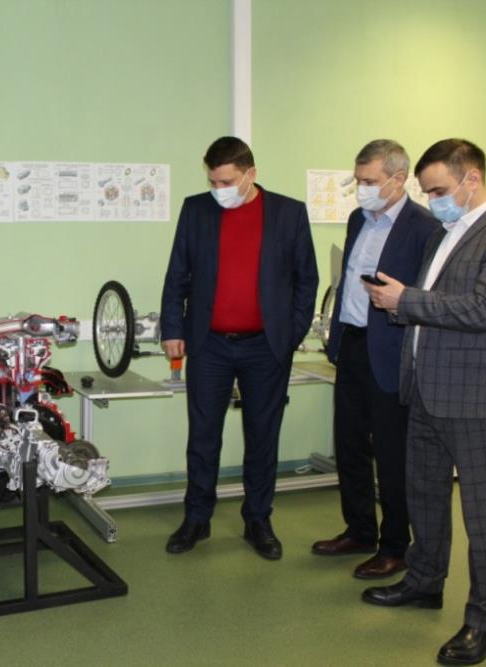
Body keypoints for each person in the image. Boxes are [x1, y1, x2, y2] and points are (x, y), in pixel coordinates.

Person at [362, 139, 486, 666]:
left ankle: (485, 622)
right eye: (427, 191)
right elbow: (436, 305)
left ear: (471, 179)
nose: (431, 200)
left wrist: (407, 299)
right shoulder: (444, 233)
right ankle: (424, 581)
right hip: (424, 390)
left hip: (473, 398)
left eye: (438, 190)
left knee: (484, 517)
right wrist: (398, 301)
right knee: (425, 498)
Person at [160, 136, 318, 559]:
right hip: (208, 344)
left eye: (227, 181)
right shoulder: (196, 210)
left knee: (263, 435)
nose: (219, 190)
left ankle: (258, 520)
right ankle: (197, 519)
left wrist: (289, 334)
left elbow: (307, 280)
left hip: (266, 347)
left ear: (251, 174)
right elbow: (177, 274)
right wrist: (172, 327)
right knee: (203, 435)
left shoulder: (288, 213)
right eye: (213, 182)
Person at [312, 140, 438, 579]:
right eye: (358, 179)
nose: (361, 188)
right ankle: (359, 530)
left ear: (398, 179)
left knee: (391, 453)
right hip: (351, 344)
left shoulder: (424, 227)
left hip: (392, 352)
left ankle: (395, 546)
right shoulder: (357, 219)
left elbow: (427, 296)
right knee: (349, 444)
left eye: (369, 181)